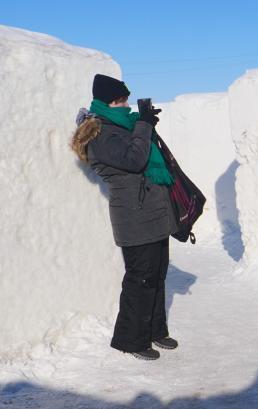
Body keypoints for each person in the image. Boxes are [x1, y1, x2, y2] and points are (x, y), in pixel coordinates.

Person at [71, 74, 179, 361]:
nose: (126, 105)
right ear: (108, 102)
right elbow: (134, 160)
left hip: (153, 213)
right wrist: (143, 124)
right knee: (139, 279)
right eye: (121, 100)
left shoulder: (121, 127)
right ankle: (130, 340)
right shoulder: (101, 132)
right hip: (134, 216)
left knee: (156, 275)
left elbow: (143, 153)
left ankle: (154, 330)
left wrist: (146, 125)